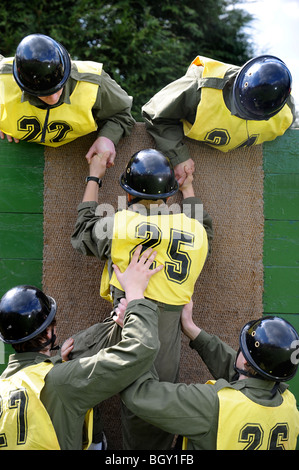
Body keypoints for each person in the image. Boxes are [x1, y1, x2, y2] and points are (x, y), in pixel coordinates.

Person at [71, 148, 213, 449]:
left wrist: (94, 174)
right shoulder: (196, 230)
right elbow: (206, 231)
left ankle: (93, 442)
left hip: (123, 319)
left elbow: (81, 232)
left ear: (128, 191)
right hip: (167, 331)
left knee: (68, 364)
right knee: (151, 413)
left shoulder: (118, 223)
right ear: (168, 194)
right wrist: (188, 187)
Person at [0, 246, 163, 450]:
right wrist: (136, 294)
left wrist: (58, 362)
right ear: (50, 333)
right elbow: (142, 348)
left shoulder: (3, 386)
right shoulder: (62, 381)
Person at [121, 298, 299, 450]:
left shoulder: (212, 404)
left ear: (245, 362)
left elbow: (140, 395)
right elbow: (243, 376)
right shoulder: (289, 406)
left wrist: (137, 336)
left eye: (242, 349)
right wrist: (192, 329)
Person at [142, 54, 296, 185]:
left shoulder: (286, 115)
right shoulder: (199, 88)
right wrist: (178, 156)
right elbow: (155, 114)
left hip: (236, 176)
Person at [0, 33, 135, 166]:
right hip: (17, 163)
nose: (53, 98)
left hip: (73, 162)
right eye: (43, 93)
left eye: (58, 87)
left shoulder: (94, 82)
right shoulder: (2, 78)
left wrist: (107, 138)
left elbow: (121, 114)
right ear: (20, 83)